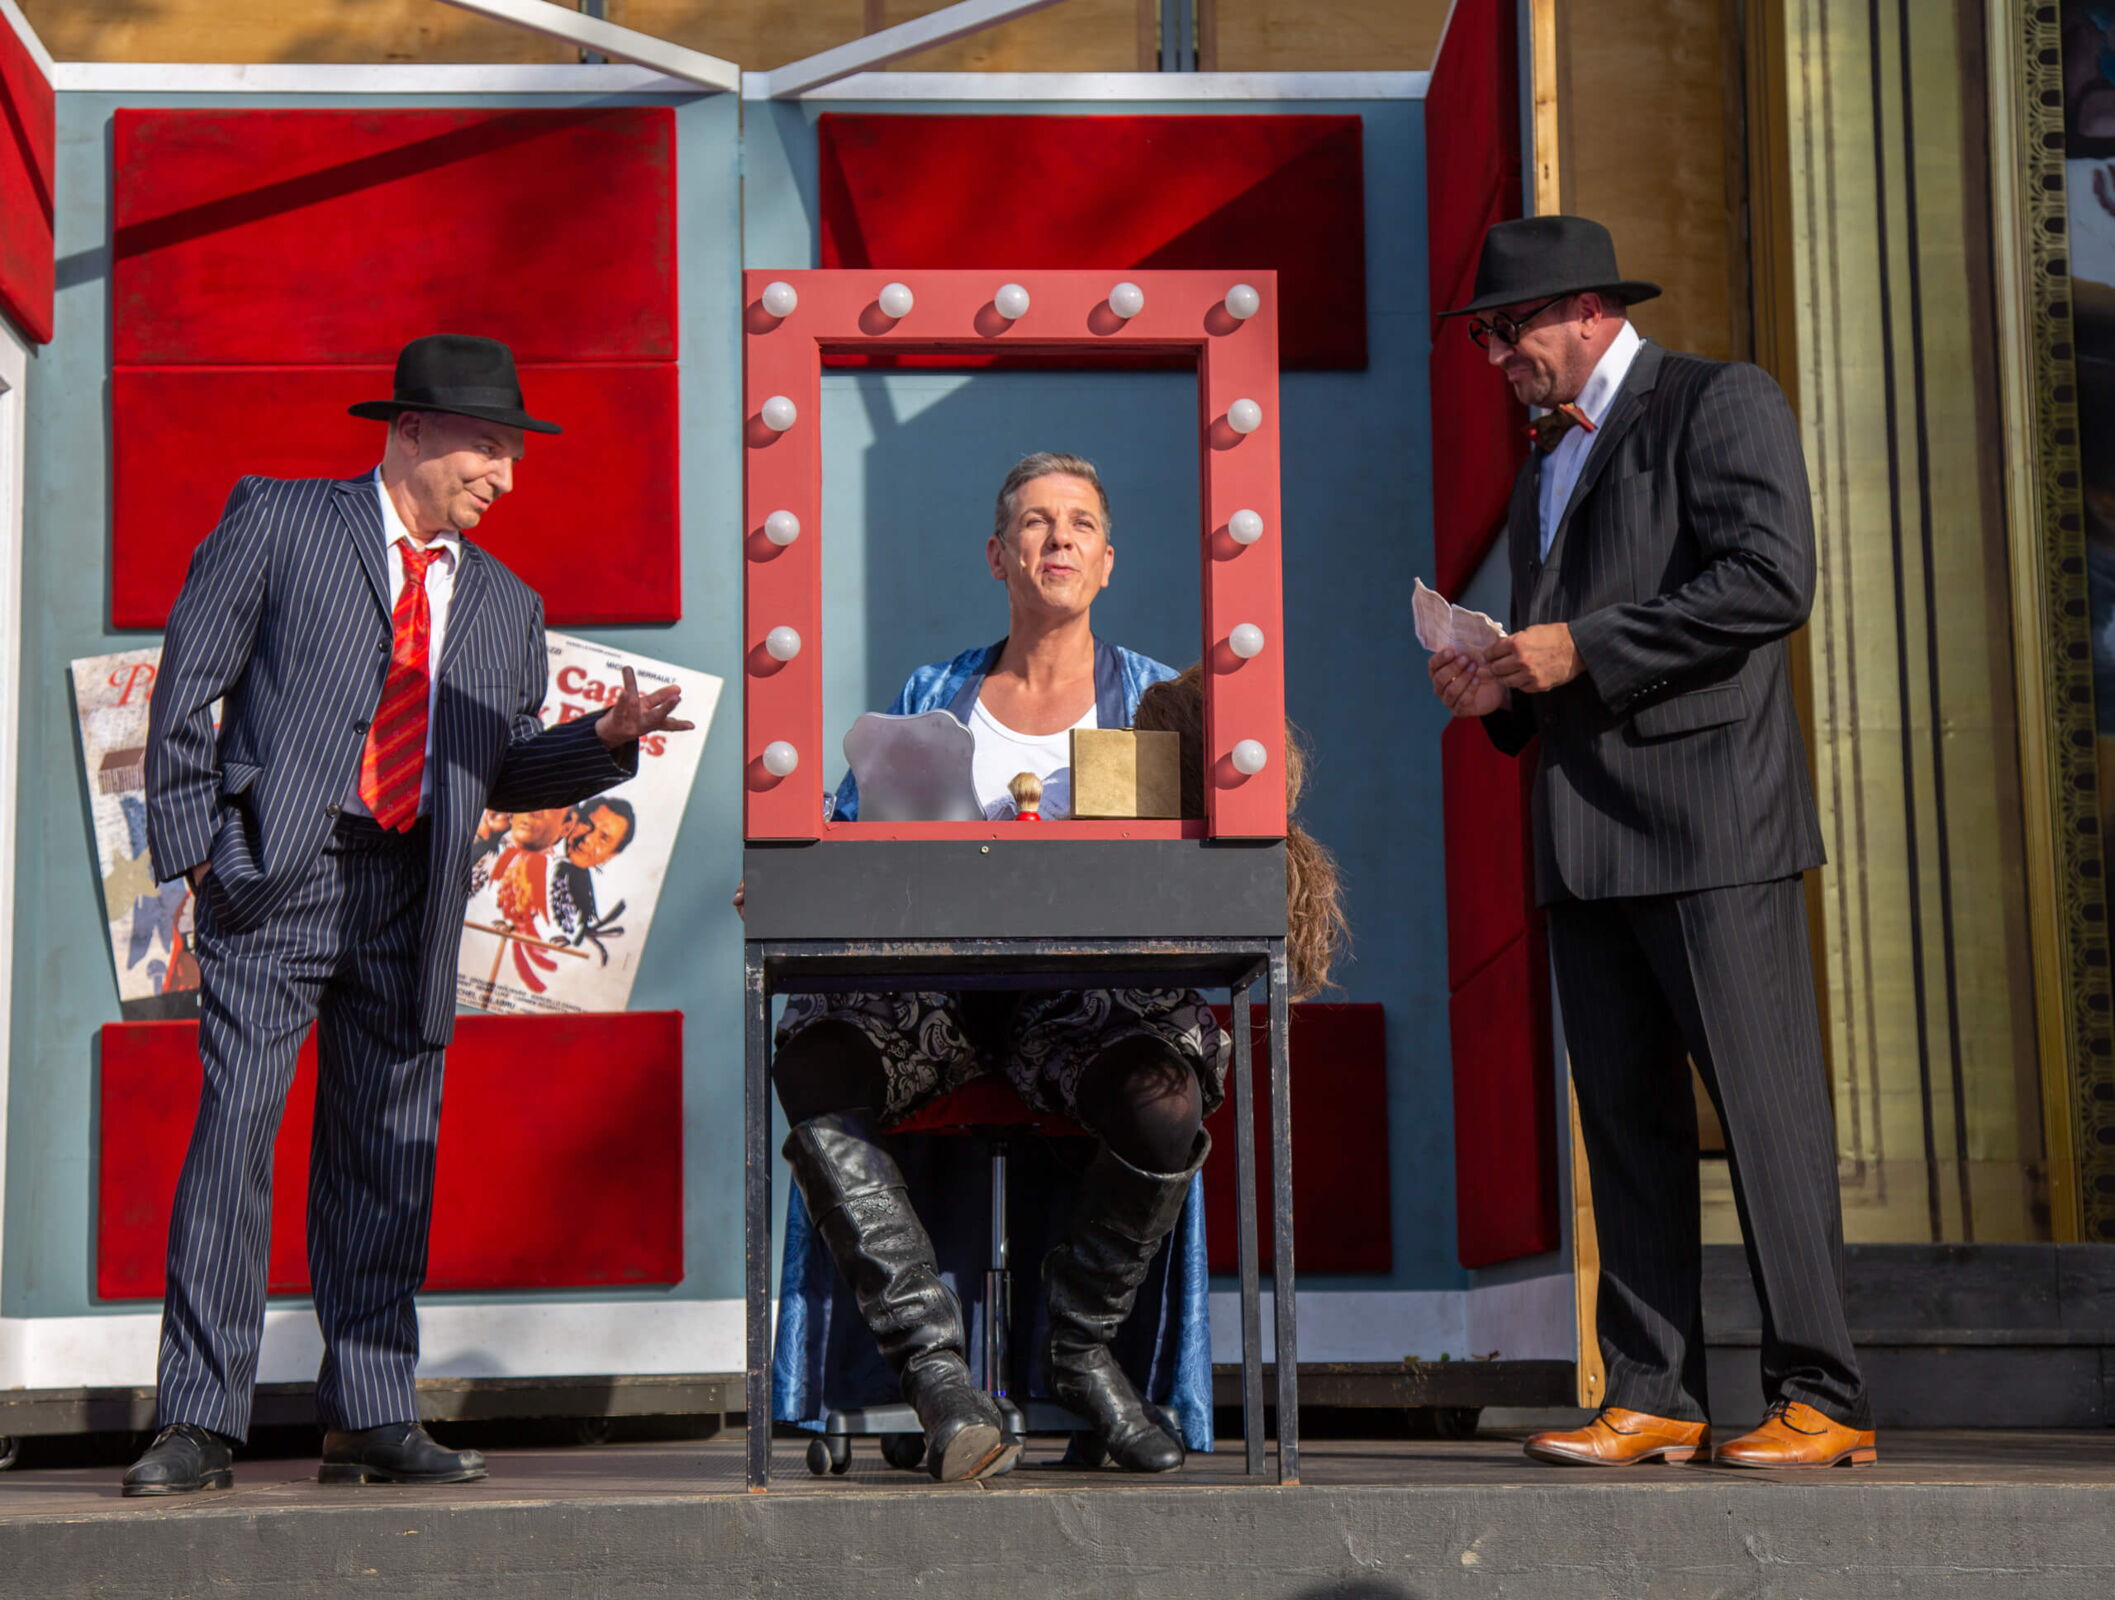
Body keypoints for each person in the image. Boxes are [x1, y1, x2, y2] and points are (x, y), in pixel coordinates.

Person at [129, 334, 692, 1497]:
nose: (506, 476)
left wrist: (600, 741)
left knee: (387, 1155)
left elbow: (498, 771)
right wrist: (194, 857)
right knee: (234, 1138)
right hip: (274, 877)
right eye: (488, 446)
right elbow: (187, 687)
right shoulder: (280, 518)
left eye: (515, 454)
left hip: (413, 891)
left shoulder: (507, 604)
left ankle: (371, 1414)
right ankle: (197, 1421)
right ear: (412, 431)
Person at [1427, 217, 1874, 1469]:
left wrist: (1585, 644)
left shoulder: (1718, 401)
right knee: (1625, 1128)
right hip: (1583, 837)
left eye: (1505, 331)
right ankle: (1654, 1389)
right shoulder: (1541, 462)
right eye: (1482, 338)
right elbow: (1556, 656)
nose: (1496, 358)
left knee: (1767, 1116)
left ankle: (1825, 1393)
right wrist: (1497, 688)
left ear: (1585, 310)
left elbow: (1771, 579)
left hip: (1713, 823)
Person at [769, 452, 1225, 1482]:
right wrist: (800, 881)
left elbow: (1206, 861)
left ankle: (1082, 1354)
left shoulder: (1158, 699)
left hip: (1084, 1003)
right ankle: (937, 1376)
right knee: (813, 1061)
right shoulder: (934, 693)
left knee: (1165, 1098)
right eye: (1034, 521)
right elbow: (853, 836)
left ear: (1105, 561)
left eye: (1079, 523)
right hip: (935, 996)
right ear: (997, 554)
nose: (1057, 537)